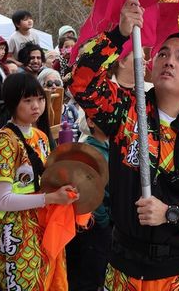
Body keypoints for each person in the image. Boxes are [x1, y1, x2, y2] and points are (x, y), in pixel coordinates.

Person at [72, 0, 179, 290]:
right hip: (124, 268)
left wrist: (172, 213)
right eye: (163, 54)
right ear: (151, 66)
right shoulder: (126, 114)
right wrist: (119, 34)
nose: (170, 61)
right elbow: (81, 82)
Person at [0, 72, 79, 291]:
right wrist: (50, 198)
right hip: (17, 230)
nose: (36, 106)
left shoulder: (40, 136)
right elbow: (2, 200)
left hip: (43, 224)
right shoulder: (4, 141)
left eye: (39, 99)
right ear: (12, 103)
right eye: (27, 100)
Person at [66, 121, 114, 291]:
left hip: (107, 225)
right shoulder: (88, 152)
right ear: (91, 121)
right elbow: (89, 196)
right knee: (88, 276)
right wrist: (104, 219)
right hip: (93, 226)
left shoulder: (112, 146)